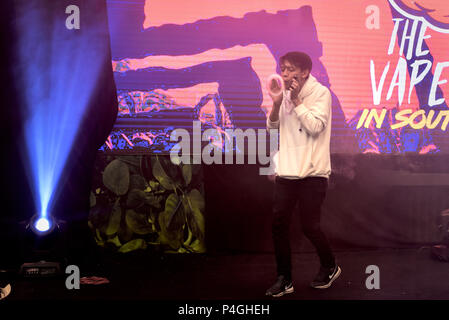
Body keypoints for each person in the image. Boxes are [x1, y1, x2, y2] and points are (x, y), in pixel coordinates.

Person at [265, 51, 340, 297]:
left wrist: (297, 101)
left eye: (289, 69)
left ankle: (330, 265)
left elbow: (316, 127)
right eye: (282, 68)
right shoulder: (283, 95)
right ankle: (284, 278)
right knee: (279, 224)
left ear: (305, 72)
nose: (284, 74)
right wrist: (277, 104)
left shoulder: (321, 93)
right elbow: (272, 128)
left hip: (313, 172)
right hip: (287, 171)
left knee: (310, 226)